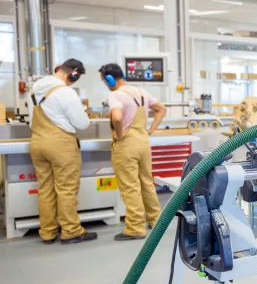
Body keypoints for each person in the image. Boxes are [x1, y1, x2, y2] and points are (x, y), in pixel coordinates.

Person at [28, 58, 97, 245]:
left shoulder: (35, 89)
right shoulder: (66, 92)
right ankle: (71, 231)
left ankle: (47, 232)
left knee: (45, 189)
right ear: (73, 74)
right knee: (66, 189)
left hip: (37, 141)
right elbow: (82, 123)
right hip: (60, 144)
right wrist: (83, 113)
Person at [99, 63, 166, 241]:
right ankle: (156, 220)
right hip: (143, 142)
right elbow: (161, 109)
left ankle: (135, 227)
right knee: (146, 182)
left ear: (110, 79)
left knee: (130, 187)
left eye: (104, 81)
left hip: (126, 145)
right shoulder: (141, 92)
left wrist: (119, 134)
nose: (105, 84)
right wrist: (150, 130)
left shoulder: (115, 95)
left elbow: (117, 117)